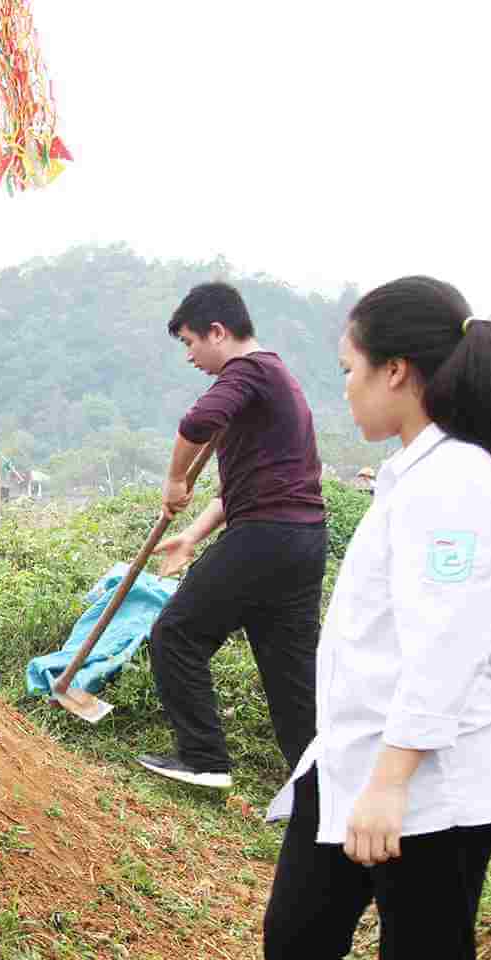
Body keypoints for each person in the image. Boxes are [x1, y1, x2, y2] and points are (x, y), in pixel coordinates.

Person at [263, 277, 491, 960]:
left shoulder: (457, 481)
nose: (345, 390)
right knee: (297, 934)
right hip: (359, 768)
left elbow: (450, 642)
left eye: (349, 371)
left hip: (427, 783)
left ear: (399, 372)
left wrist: (392, 780)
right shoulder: (416, 470)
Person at [142, 281, 328, 791]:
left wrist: (175, 480)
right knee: (290, 675)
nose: (189, 356)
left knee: (176, 634)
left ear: (217, 332)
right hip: (302, 541)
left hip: (265, 538)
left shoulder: (248, 370)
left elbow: (196, 422)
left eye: (189, 343)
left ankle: (203, 759)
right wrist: (191, 537)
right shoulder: (277, 379)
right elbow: (242, 490)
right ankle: (318, 787)